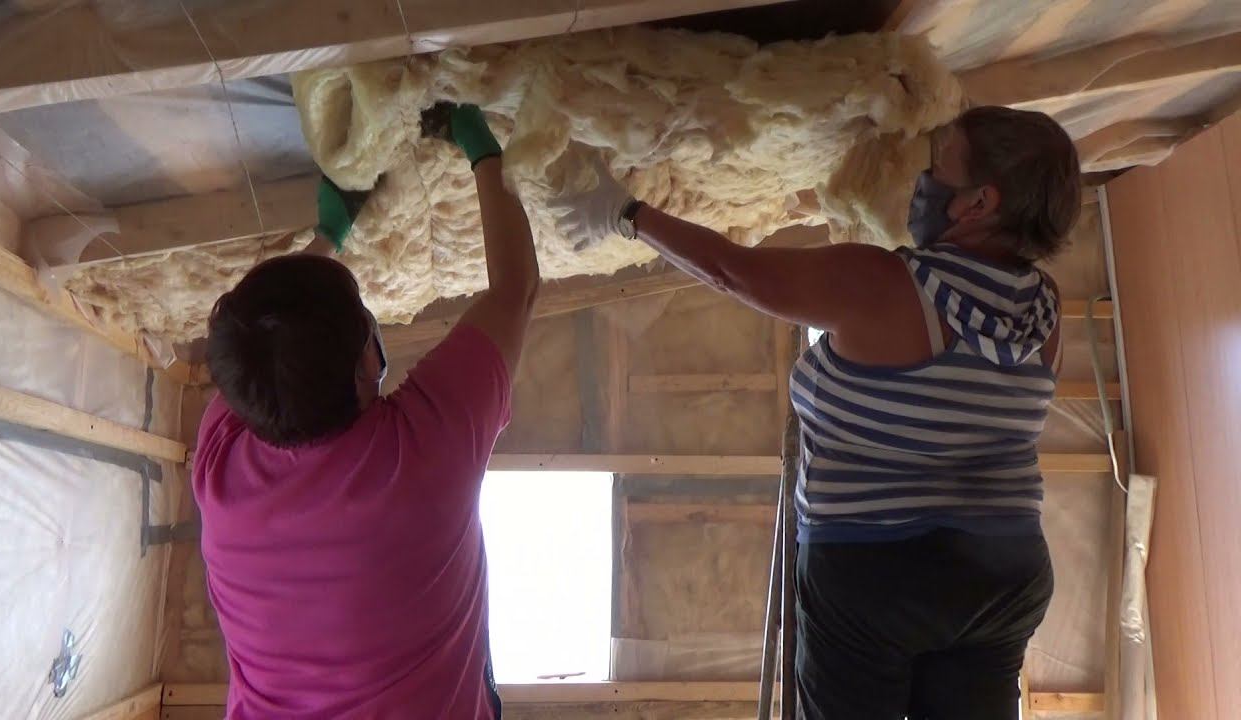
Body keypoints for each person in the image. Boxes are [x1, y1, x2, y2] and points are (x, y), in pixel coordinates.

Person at [551, 105, 1080, 719]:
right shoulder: (1044, 310)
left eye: (940, 166)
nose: (924, 180)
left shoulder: (885, 284)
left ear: (979, 203)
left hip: (879, 567)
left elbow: (733, 272)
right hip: (1004, 572)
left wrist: (624, 214)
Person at [193, 104, 538, 719]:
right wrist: (484, 151)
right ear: (364, 366)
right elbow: (515, 288)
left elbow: (265, 346)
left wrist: (326, 241)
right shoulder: (421, 454)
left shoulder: (227, 456)